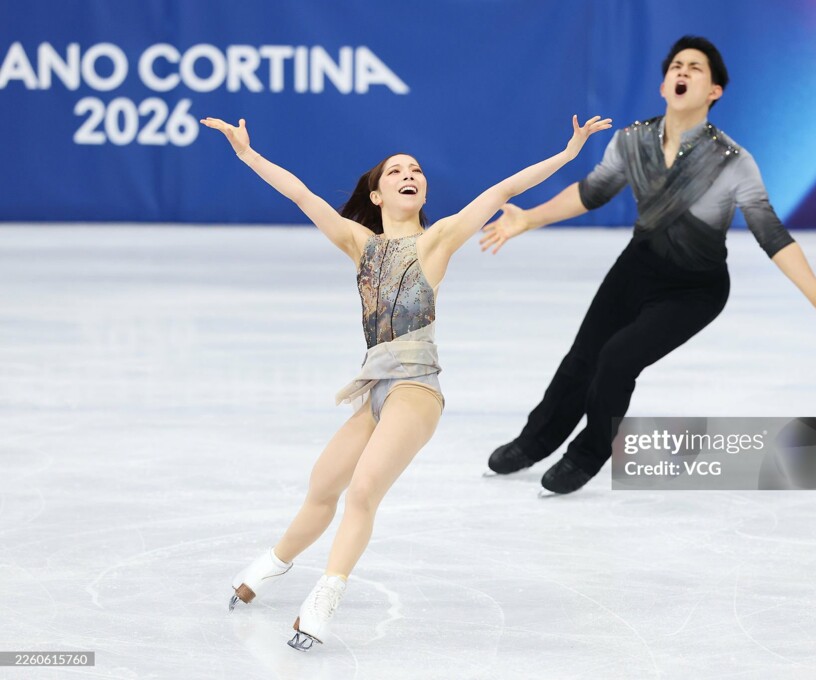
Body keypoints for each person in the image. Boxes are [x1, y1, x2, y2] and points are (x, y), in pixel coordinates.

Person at [200, 112, 612, 650]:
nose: (408, 175)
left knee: (363, 490)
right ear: (376, 195)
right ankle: (273, 563)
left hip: (416, 390)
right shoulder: (360, 244)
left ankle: (327, 593)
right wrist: (248, 154)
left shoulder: (438, 239)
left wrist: (568, 153)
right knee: (322, 487)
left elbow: (503, 190)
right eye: (395, 171)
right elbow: (301, 195)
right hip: (373, 391)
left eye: (415, 169)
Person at [481, 36, 816, 495]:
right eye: (676, 66)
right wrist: (529, 218)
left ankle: (587, 455)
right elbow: (591, 192)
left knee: (617, 359)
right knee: (581, 359)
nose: (683, 71)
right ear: (664, 86)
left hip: (694, 290)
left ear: (714, 91)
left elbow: (771, 234)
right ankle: (534, 441)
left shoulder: (732, 162)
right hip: (636, 269)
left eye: (695, 67)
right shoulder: (633, 141)